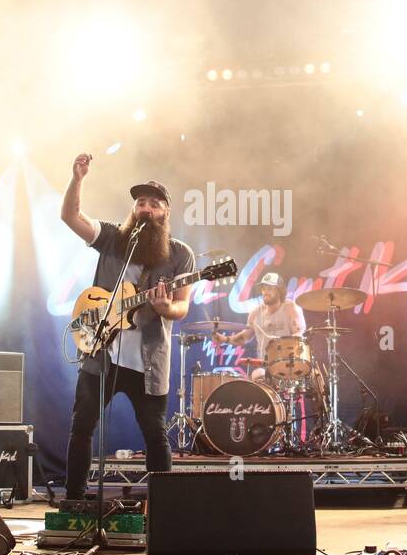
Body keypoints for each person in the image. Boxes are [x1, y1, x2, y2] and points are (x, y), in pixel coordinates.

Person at [60, 153, 195, 501]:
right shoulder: (112, 237)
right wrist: (78, 179)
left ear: (165, 213)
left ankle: (165, 509)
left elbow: (182, 306)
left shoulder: (180, 255)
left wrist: (166, 307)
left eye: (154, 203)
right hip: (101, 350)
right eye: (140, 202)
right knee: (81, 429)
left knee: (154, 434)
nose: (145, 208)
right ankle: (74, 500)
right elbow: (70, 217)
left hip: (147, 362)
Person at [213, 272, 305, 380]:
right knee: (257, 375)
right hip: (264, 366)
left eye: (270, 288)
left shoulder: (290, 308)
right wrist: (225, 339)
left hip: (288, 364)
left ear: (279, 291)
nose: (265, 292)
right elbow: (244, 338)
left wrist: (283, 349)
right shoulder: (255, 313)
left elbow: (299, 334)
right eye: (263, 288)